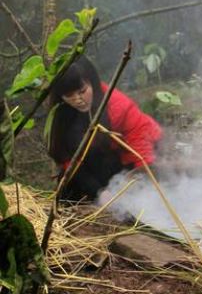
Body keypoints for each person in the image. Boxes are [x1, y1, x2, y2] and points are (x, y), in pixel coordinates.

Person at [48, 56, 163, 203]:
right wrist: (99, 192)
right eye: (69, 95)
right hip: (90, 166)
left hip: (125, 158)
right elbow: (68, 160)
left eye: (82, 91)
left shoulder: (118, 106)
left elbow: (140, 146)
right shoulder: (60, 114)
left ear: (93, 83)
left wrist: (141, 181)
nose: (77, 99)